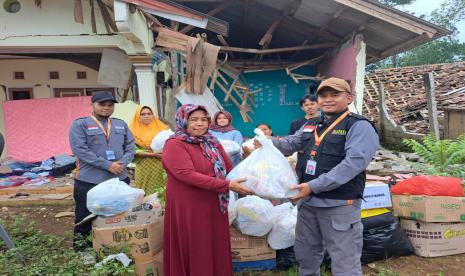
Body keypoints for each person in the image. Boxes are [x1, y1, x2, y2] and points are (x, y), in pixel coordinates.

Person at [264, 78, 379, 276]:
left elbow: (353, 164)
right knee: (306, 253)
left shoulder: (359, 126)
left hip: (340, 204)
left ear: (349, 98)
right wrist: (265, 142)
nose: (327, 100)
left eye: (335, 95)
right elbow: (291, 143)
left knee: (345, 260)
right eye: (323, 95)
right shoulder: (312, 124)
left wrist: (313, 186)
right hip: (309, 203)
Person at [161, 104, 253, 276]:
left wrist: (252, 164)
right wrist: (226, 185)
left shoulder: (211, 141)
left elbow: (228, 166)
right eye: (194, 119)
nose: (200, 124)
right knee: (196, 244)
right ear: (183, 121)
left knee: (214, 242)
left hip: (213, 202)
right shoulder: (175, 144)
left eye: (204, 119)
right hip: (189, 205)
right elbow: (186, 174)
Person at [69, 92, 135, 249]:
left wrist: (122, 163)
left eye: (110, 105)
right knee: (85, 216)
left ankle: (116, 247)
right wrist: (108, 165)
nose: (106, 108)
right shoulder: (80, 125)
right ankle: (83, 250)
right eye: (102, 104)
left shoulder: (121, 124)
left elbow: (130, 146)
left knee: (119, 215)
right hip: (90, 180)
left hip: (119, 179)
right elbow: (80, 150)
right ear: (92, 105)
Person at [129, 105, 169, 197]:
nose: (146, 116)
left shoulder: (162, 128)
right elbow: (130, 150)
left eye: (149, 113)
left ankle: (163, 210)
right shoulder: (131, 131)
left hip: (161, 165)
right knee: (145, 191)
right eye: (143, 114)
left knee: (163, 190)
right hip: (144, 166)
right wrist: (153, 154)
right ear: (138, 116)